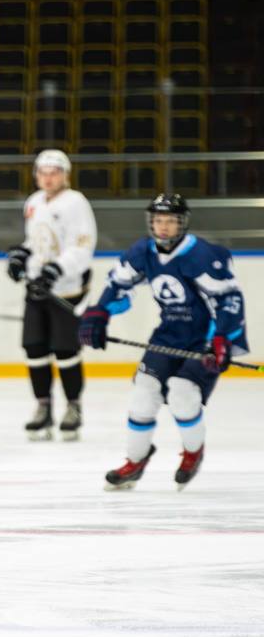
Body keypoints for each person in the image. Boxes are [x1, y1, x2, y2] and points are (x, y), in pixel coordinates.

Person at [79, 194, 248, 491]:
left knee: (183, 394)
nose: (164, 227)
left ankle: (193, 453)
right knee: (143, 393)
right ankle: (135, 460)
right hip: (168, 335)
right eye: (158, 220)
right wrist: (99, 312)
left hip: (207, 338)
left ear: (182, 223)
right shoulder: (143, 251)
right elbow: (119, 284)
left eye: (170, 221)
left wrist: (222, 338)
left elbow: (229, 299)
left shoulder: (202, 255)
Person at [6, 150, 97, 441]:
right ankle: (43, 406)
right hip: (37, 289)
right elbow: (37, 241)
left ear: (65, 175)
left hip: (66, 290)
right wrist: (22, 255)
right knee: (34, 349)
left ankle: (74, 406)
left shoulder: (76, 202)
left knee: (65, 350)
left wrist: (55, 271)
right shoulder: (34, 202)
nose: (48, 177)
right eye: (43, 172)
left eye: (54, 172)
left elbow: (82, 247)